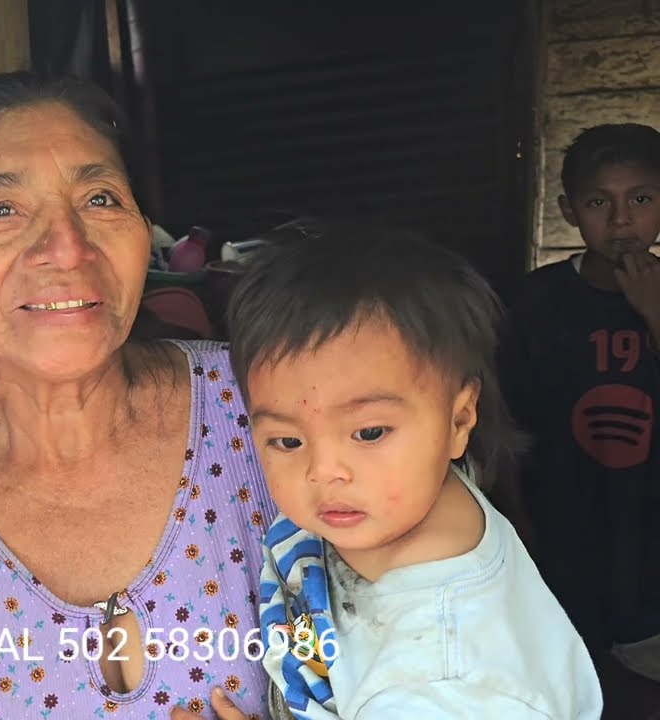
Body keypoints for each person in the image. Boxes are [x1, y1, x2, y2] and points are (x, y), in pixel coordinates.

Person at [0, 72, 276, 720]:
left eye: (100, 199)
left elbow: (440, 646)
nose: (67, 248)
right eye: (1, 210)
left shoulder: (262, 407)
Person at [175, 225, 602, 719]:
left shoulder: (447, 684)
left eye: (370, 433)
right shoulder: (406, 498)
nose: (324, 471)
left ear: (459, 420)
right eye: (287, 441)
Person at [499, 123, 660, 712]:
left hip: (650, 529)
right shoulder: (536, 301)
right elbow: (506, 420)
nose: (621, 221)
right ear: (569, 210)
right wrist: (517, 518)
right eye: (600, 202)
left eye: (641, 199)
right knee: (574, 668)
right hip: (564, 520)